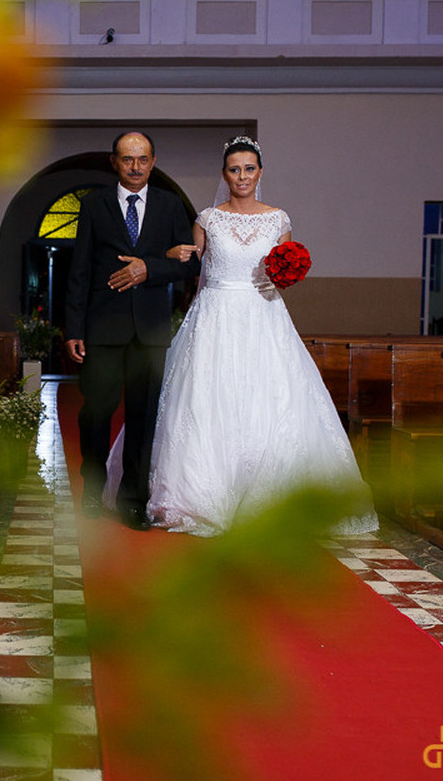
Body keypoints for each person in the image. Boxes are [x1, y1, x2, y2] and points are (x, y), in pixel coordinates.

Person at [122, 136, 377, 535]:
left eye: (249, 168)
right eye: (234, 169)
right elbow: (195, 271)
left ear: (260, 173)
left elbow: (284, 268)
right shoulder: (208, 218)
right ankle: (198, 495)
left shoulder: (278, 219)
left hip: (263, 315)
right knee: (209, 400)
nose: (242, 176)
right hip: (215, 315)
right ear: (224, 175)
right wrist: (171, 259)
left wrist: (286, 274)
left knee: (270, 399)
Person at [64, 131, 199, 530]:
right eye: (127, 159)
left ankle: (134, 501)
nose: (135, 167)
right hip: (102, 327)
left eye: (142, 159)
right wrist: (73, 327)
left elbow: (190, 264)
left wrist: (149, 267)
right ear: (114, 162)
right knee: (96, 412)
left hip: (151, 331)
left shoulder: (171, 205)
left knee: (143, 418)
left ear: (153, 160)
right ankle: (92, 491)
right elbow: (80, 270)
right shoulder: (94, 205)